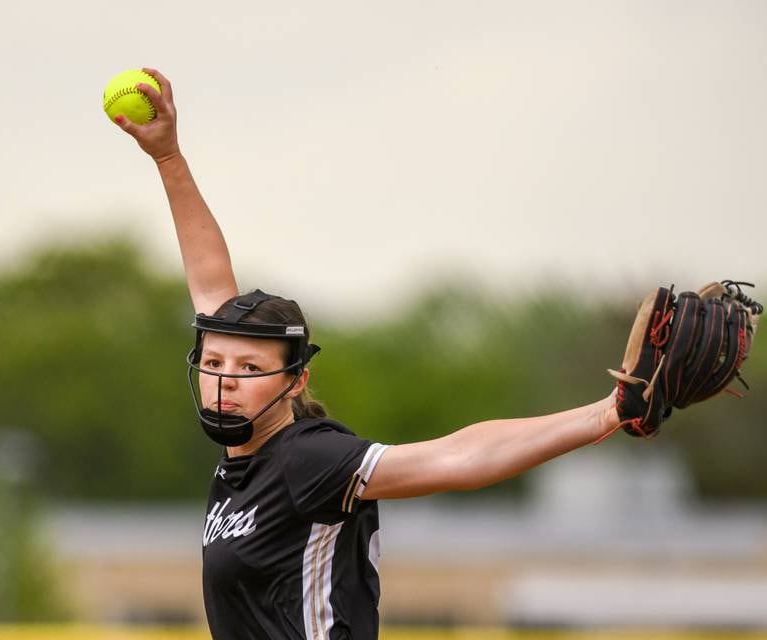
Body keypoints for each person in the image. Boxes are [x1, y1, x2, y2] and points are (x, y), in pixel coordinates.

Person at [113, 68, 620, 640]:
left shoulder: (306, 458)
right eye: (215, 363)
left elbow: (457, 459)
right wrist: (169, 160)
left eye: (251, 368)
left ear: (295, 381)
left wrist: (602, 415)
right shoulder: (247, 463)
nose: (225, 378)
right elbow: (210, 286)